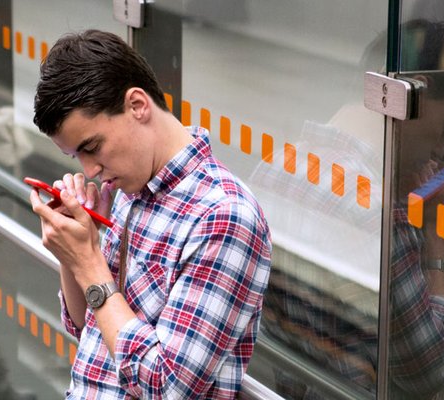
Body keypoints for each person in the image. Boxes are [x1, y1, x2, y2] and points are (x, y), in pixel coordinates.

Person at [29, 29, 272, 399]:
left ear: (138, 105)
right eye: (77, 156)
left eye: (92, 147)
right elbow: (86, 328)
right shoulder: (128, 186)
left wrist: (88, 262)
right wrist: (77, 246)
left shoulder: (223, 216)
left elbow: (165, 387)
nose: (90, 169)